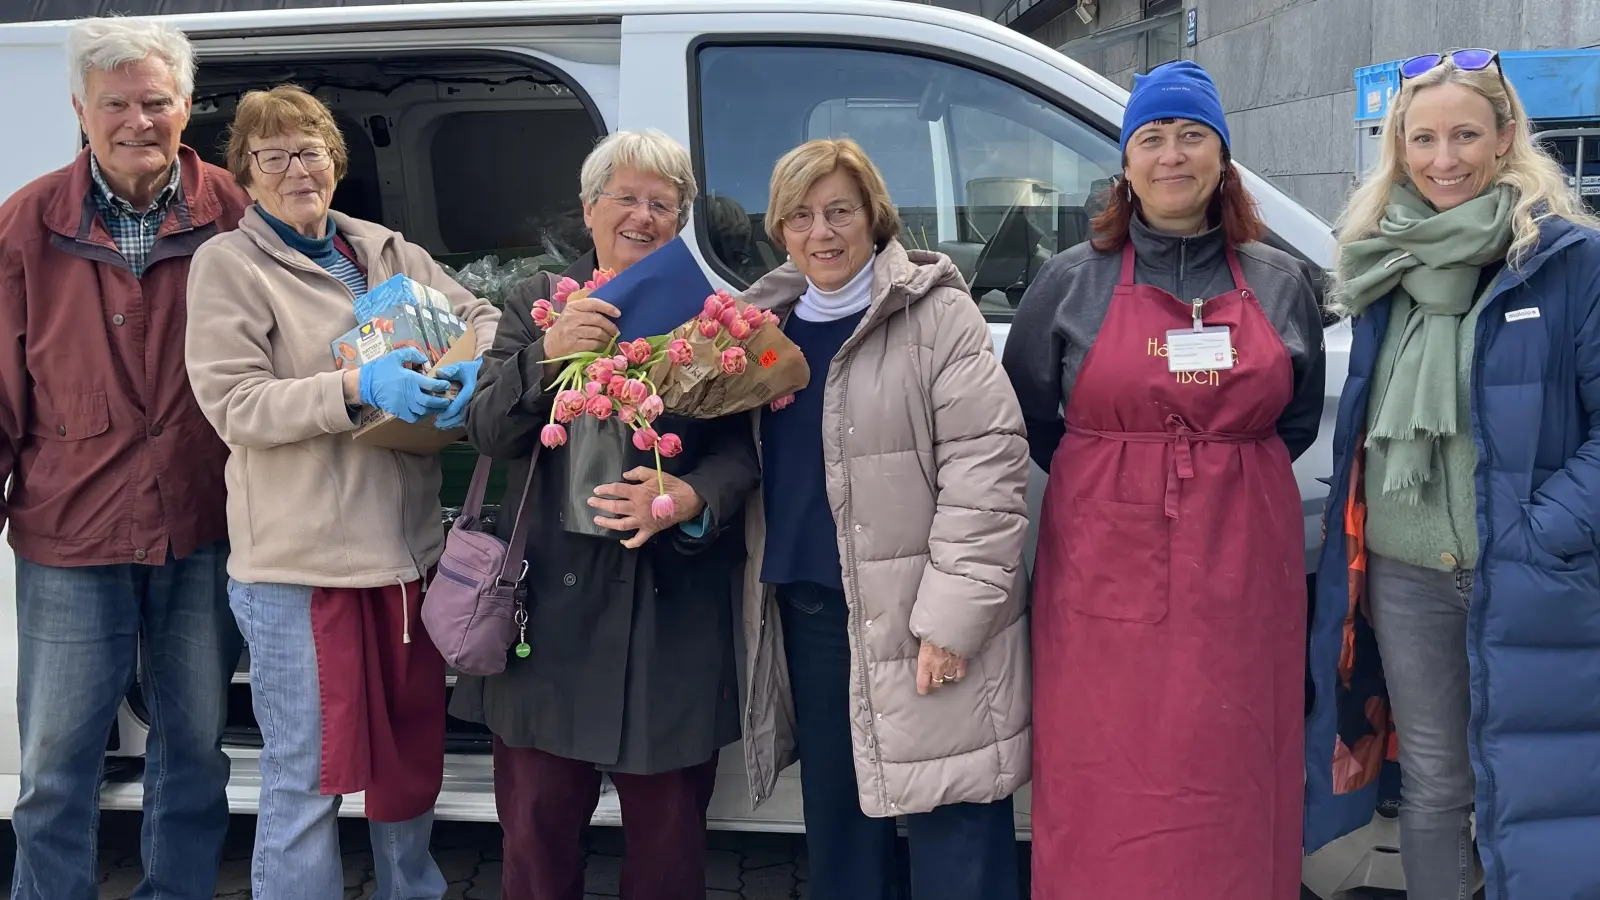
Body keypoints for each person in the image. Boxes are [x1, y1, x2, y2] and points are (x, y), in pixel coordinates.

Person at [1002, 60, 1326, 900]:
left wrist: (1216, 475)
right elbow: (1034, 415)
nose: (1171, 155)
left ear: (1223, 156)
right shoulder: (1070, 282)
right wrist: (1128, 474)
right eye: (1152, 137)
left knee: (1234, 771)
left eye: (1192, 136)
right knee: (1104, 773)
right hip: (1101, 583)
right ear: (1125, 160)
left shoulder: (1284, 284)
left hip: (1243, 586)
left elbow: (1293, 421)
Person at [183, 84, 500, 899]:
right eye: (274, 155)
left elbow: (487, 317)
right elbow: (234, 404)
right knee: (307, 779)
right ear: (245, 173)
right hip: (303, 570)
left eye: (311, 150)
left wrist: (470, 364)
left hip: (406, 561)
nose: (297, 169)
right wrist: (356, 387)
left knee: (408, 764)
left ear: (336, 160)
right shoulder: (230, 265)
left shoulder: (387, 250)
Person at [1305, 48, 1600, 900]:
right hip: (1405, 577)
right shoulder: (1378, 265)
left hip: (1533, 571)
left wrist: (1539, 531)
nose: (1444, 160)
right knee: (1435, 787)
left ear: (1507, 138)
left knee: (1549, 785)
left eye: (1466, 135)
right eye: (1423, 138)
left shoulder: (1568, 263)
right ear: (1399, 147)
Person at [448, 129, 759, 900]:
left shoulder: (711, 319)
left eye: (663, 204)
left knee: (668, 847)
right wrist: (546, 354)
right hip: (543, 621)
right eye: (626, 198)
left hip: (668, 620)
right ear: (590, 210)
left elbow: (746, 457)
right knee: (537, 841)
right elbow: (485, 430)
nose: (644, 217)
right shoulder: (534, 302)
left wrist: (691, 499)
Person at [737, 137, 1033, 900]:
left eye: (840, 210)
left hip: (922, 622)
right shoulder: (759, 332)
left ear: (875, 217)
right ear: (780, 230)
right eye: (800, 216)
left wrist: (953, 620)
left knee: (955, 822)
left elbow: (987, 470)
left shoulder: (938, 316)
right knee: (843, 829)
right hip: (816, 616)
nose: (822, 233)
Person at [0, 18, 250, 900]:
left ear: (187, 107)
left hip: (205, 520)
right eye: (115, 104)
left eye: (155, 101)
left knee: (194, 752)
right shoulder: (26, 224)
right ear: (80, 108)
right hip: (69, 528)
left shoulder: (236, 209)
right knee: (55, 765)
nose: (136, 121)